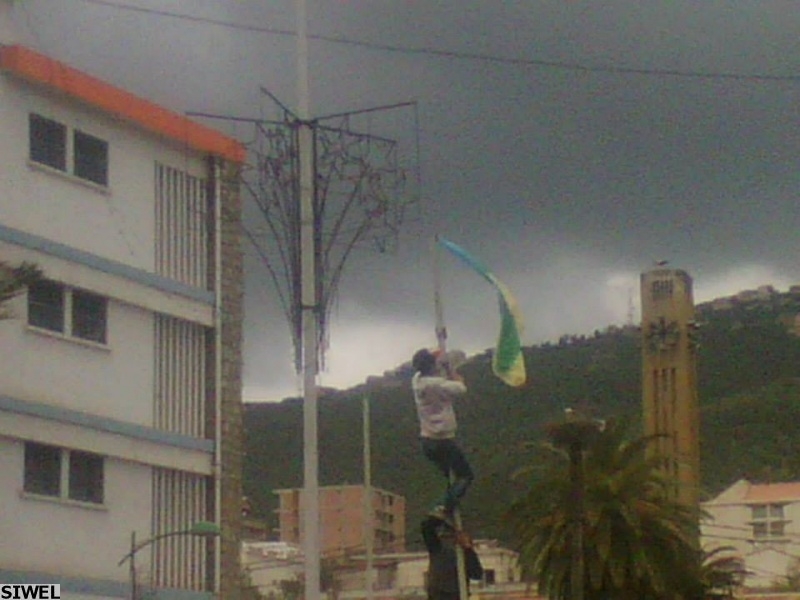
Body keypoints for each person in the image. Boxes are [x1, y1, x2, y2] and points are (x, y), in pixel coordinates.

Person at [412, 348, 474, 517]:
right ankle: (443, 509)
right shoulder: (438, 385)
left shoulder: (416, 381)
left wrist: (441, 362)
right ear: (432, 366)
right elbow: (461, 387)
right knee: (465, 476)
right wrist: (451, 371)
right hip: (443, 440)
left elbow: (437, 374)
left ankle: (446, 513)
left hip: (426, 440)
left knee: (450, 479)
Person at [421, 514, 483, 600]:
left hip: (457, 595)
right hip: (438, 595)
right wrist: (443, 519)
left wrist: (468, 549)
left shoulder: (466, 554)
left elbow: (477, 574)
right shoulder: (437, 548)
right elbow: (426, 527)